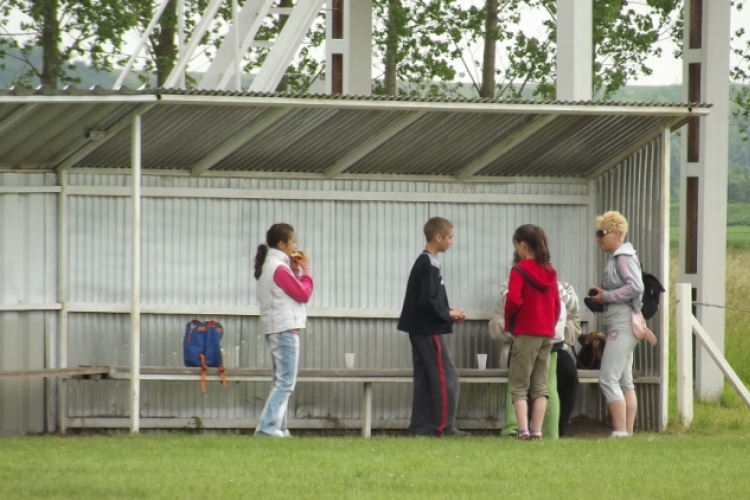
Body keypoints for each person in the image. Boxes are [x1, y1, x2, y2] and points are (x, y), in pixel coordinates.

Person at [489, 254, 581, 438]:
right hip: (523, 344)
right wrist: (517, 333)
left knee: (565, 375)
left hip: (556, 345)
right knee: (535, 384)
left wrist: (559, 335)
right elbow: (496, 323)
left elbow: (574, 321)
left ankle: (552, 429)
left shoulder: (562, 288)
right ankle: (518, 429)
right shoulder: (510, 287)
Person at [397, 217, 469, 437]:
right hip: (429, 331)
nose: (451, 242)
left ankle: (420, 428)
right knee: (446, 378)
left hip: (418, 330)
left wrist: (447, 313)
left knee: (425, 380)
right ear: (438, 238)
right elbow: (427, 301)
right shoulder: (429, 264)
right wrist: (448, 313)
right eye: (450, 238)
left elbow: (425, 299)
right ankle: (444, 427)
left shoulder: (424, 262)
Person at [254, 223, 313, 438]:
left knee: (280, 381)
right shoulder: (278, 267)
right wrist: (306, 270)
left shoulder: (272, 266)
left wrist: (295, 271)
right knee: (286, 383)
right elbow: (303, 294)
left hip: (275, 329)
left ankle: (279, 427)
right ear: (282, 244)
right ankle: (267, 428)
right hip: (285, 330)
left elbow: (288, 292)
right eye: (293, 241)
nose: (296, 245)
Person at [588, 211, 644, 438]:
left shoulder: (622, 257)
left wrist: (607, 297)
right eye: (597, 233)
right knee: (624, 380)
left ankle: (620, 432)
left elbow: (635, 286)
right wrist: (603, 296)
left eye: (602, 233)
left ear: (617, 233)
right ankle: (627, 432)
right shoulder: (619, 257)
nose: (598, 238)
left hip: (622, 324)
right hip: (623, 323)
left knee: (607, 378)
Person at [503, 224, 560, 441]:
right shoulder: (550, 272)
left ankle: (523, 430)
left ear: (522, 244)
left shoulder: (519, 270)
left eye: (516, 244)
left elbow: (514, 299)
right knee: (540, 386)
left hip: (526, 332)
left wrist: (509, 317)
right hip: (547, 333)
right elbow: (557, 305)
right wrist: (549, 324)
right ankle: (537, 431)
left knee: (519, 385)